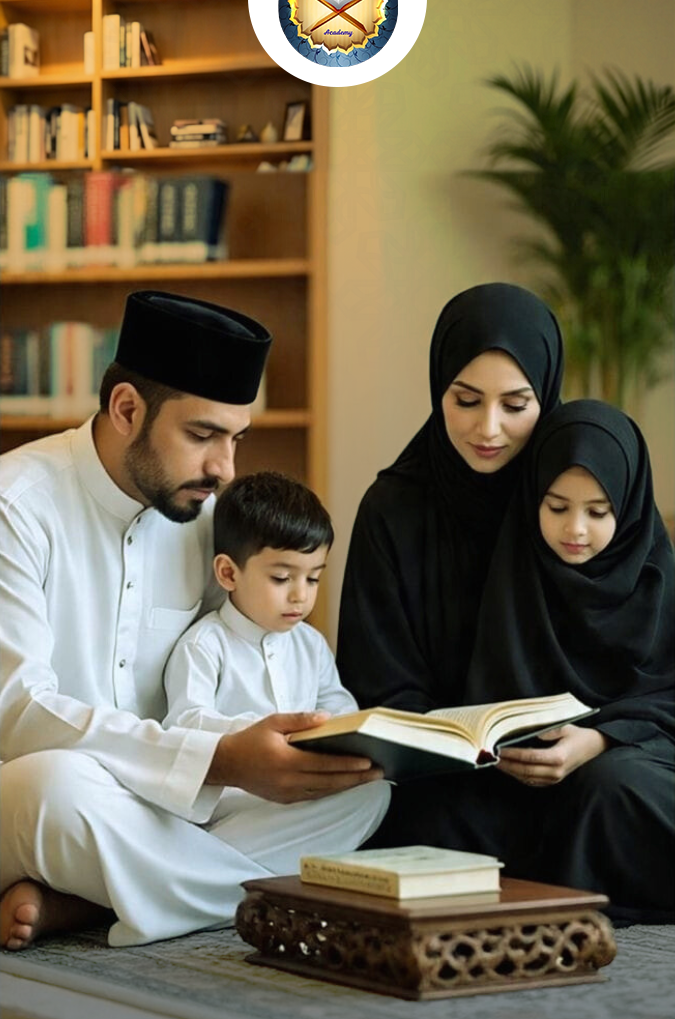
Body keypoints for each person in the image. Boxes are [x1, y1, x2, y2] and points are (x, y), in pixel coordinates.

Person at [0, 291, 389, 951]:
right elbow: (17, 711)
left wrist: (295, 749)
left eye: (236, 439)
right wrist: (213, 759)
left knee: (359, 794)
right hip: (49, 792)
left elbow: (240, 654)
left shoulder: (209, 524)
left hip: (173, 811)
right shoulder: (17, 506)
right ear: (126, 409)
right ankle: (153, 892)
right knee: (53, 783)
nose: (224, 469)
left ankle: (93, 899)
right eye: (202, 436)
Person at [372, 401, 675, 923]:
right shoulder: (515, 569)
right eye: (556, 507)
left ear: (627, 508)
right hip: (516, 781)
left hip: (623, 765)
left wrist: (599, 740)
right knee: (423, 811)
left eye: (597, 512)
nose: (574, 529)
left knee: (613, 790)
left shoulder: (657, 581)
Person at [336, 282, 564, 712]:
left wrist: (592, 741)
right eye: (467, 401)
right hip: (431, 766)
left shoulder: (572, 505)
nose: (488, 428)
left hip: (568, 765)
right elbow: (374, 679)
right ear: (439, 389)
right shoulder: (389, 510)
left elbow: (632, 669)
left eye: (515, 406)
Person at [163, 469, 360, 736]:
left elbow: (340, 707)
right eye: (281, 578)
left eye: (313, 579)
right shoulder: (204, 647)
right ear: (228, 573)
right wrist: (259, 732)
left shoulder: (311, 644)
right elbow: (186, 721)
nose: (300, 595)